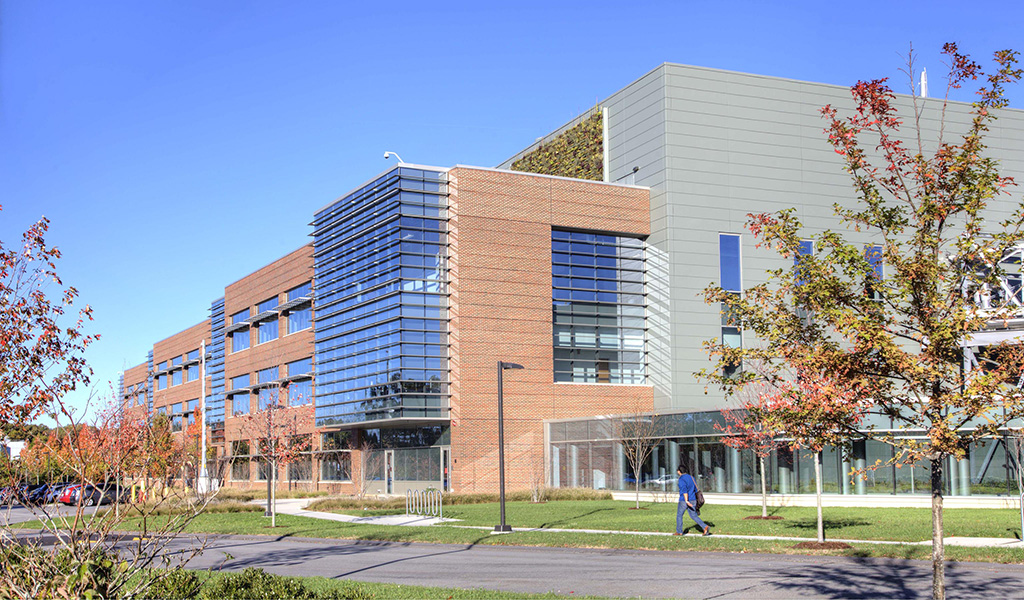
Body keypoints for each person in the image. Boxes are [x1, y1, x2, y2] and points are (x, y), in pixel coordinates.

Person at [674, 465, 710, 536]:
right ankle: (705, 526)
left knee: (679, 515)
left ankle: (679, 531)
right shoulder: (692, 477)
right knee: (694, 516)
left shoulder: (681, 479)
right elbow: (695, 489)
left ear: (679, 471)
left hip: (684, 500)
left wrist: (686, 500)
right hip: (693, 499)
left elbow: (684, 490)